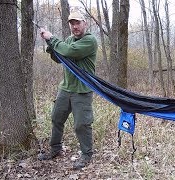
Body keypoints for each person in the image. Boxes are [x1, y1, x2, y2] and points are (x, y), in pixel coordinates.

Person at [38, 10, 98, 170]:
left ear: (85, 23)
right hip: (65, 88)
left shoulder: (90, 41)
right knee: (56, 118)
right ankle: (55, 148)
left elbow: (70, 52)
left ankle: (86, 155)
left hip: (82, 90)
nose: (75, 26)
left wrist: (52, 38)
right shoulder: (69, 39)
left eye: (78, 22)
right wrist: (50, 45)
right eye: (72, 23)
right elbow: (60, 58)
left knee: (82, 124)